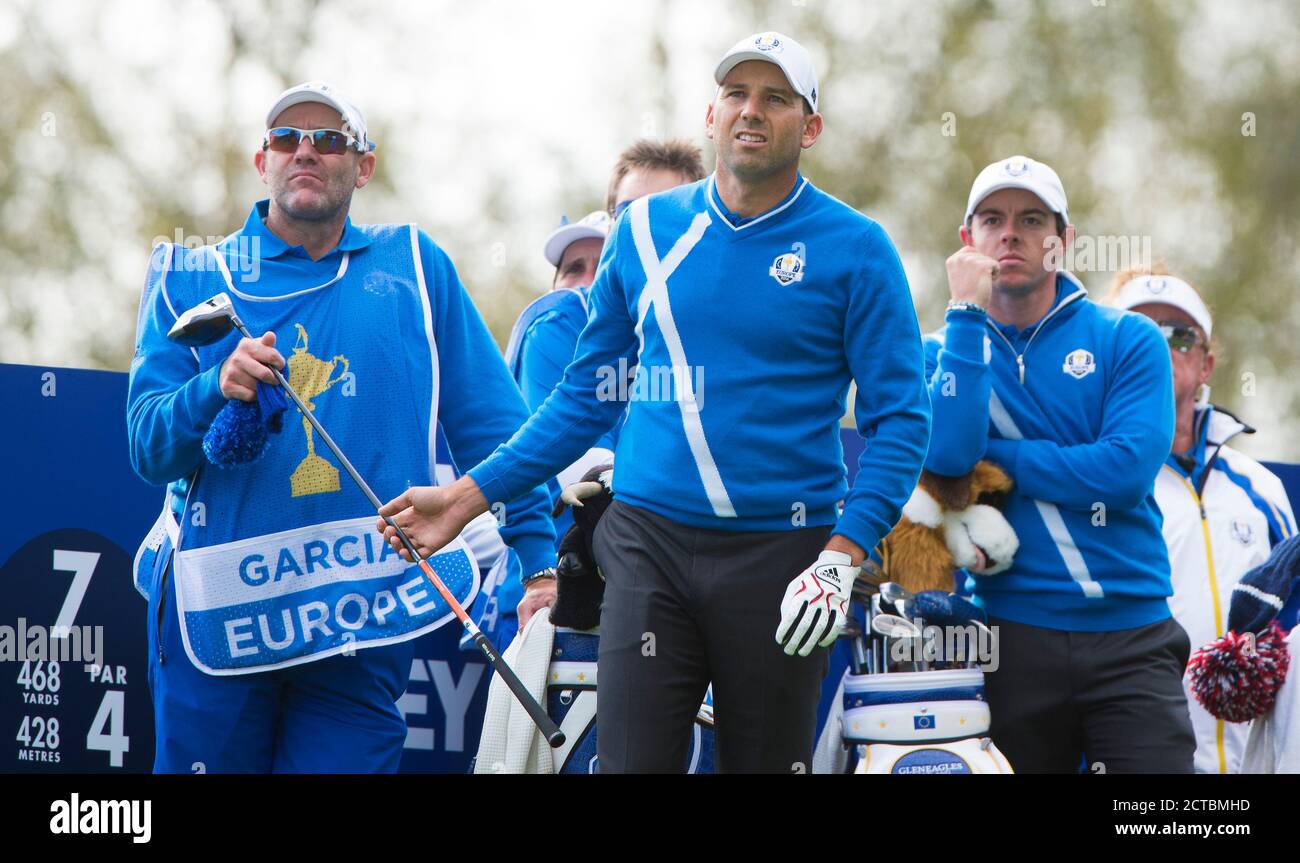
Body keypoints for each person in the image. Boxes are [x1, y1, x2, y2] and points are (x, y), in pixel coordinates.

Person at [377, 31, 931, 774]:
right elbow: (581, 398)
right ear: (712, 113)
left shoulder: (858, 248)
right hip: (649, 545)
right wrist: (464, 498)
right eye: (737, 94)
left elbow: (902, 421)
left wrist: (843, 552)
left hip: (786, 554)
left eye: (776, 98)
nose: (751, 112)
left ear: (811, 125)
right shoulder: (642, 230)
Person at [126, 81, 556, 773]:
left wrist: (539, 563)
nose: (307, 152)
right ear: (261, 158)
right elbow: (148, 447)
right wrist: (214, 387)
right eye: (288, 139)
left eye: (329, 141)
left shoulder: (415, 266)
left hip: (359, 616)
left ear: (364, 166)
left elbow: (499, 432)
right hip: (220, 611)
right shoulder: (188, 271)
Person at [924, 155, 1196, 773]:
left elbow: (1124, 472)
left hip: (1133, 636)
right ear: (968, 242)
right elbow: (946, 457)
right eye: (992, 219)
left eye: (1032, 219)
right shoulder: (941, 349)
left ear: (1064, 242)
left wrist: (998, 459)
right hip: (1007, 637)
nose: (1011, 234)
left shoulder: (1129, 338)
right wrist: (966, 317)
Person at [503, 140, 706, 622]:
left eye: (665, 210)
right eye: (628, 212)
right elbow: (584, 468)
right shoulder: (560, 317)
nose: (644, 226)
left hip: (688, 594)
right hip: (566, 592)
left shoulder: (709, 330)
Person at [1107, 268, 1296, 773]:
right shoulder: (1095, 482)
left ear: (1207, 362)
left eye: (1180, 335)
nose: (1161, 347)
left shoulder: (1261, 489)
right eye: (1141, 332)